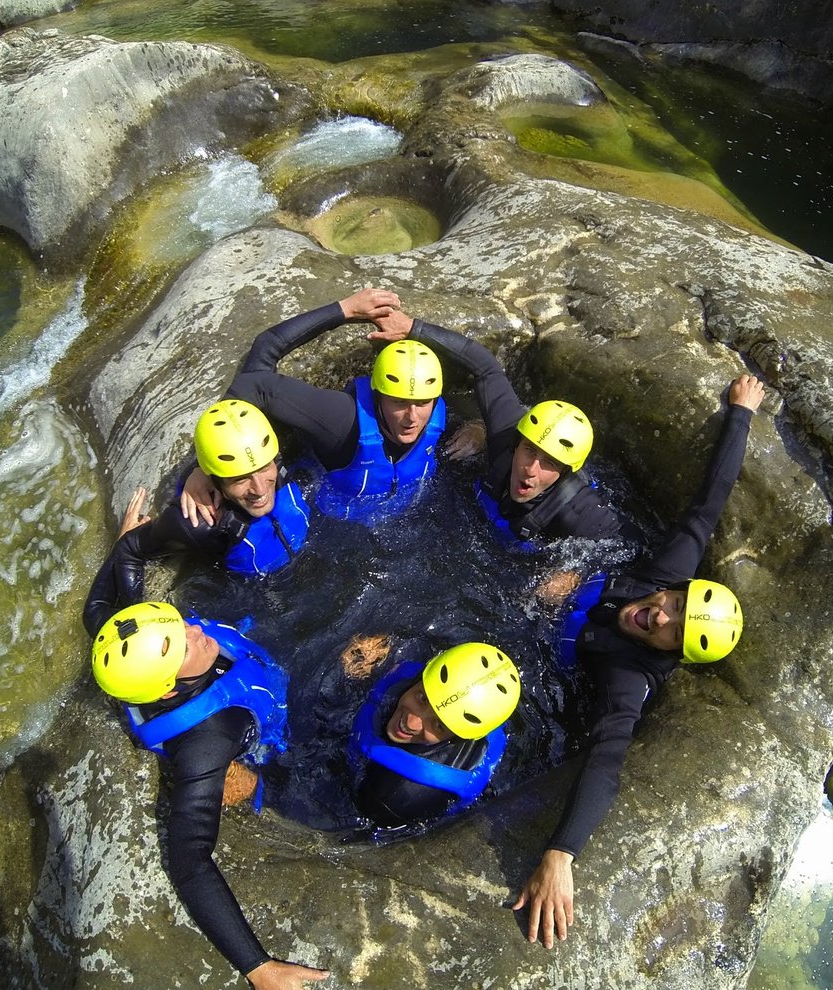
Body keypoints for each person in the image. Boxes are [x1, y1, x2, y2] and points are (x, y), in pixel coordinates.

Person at [510, 374, 766, 949]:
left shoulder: (629, 679)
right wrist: (740, 415)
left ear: (670, 655)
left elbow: (607, 758)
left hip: (547, 656)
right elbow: (708, 505)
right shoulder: (666, 573)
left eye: (672, 630)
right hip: (558, 585)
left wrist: (561, 851)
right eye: (674, 603)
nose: (659, 615)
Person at [86, 601, 328, 990]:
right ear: (167, 690)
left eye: (178, 624)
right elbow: (189, 860)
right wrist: (259, 968)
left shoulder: (135, 637)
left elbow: (98, 609)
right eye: (182, 644)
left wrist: (128, 540)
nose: (196, 631)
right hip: (269, 743)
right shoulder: (205, 744)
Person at [366, 310, 644, 549]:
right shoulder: (507, 436)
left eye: (549, 462)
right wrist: (414, 328)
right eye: (529, 451)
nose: (530, 469)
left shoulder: (581, 513)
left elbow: (632, 546)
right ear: (516, 443)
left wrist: (573, 573)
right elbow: (486, 369)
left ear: (564, 472)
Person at [183, 288, 447, 525]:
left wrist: (477, 429)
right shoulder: (341, 419)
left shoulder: (433, 408)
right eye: (399, 402)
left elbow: (485, 373)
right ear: (378, 395)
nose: (413, 417)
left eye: (422, 403)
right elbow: (259, 374)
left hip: (411, 519)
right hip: (334, 525)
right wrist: (206, 467)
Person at [80, 399, 308, 639]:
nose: (260, 489)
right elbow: (129, 549)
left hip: (307, 561)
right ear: (216, 480)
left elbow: (255, 383)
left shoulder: (265, 451)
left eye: (264, 468)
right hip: (263, 594)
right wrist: (140, 619)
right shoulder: (201, 523)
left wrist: (195, 471)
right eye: (240, 479)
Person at [350, 641, 521, 828]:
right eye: (423, 698)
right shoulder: (414, 676)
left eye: (438, 725)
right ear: (421, 677)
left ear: (457, 738)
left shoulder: (400, 794)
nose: (411, 723)